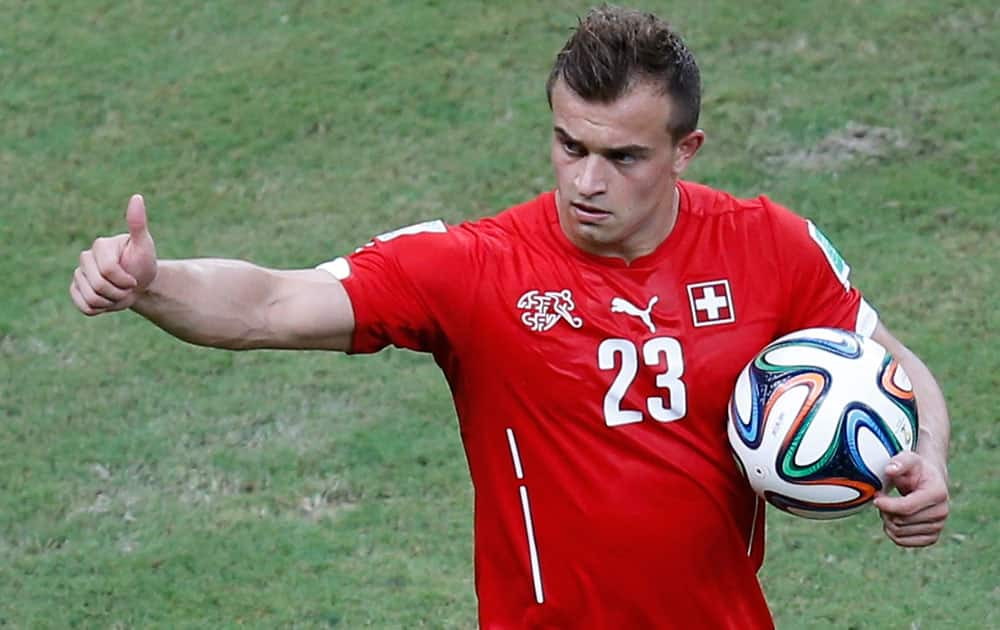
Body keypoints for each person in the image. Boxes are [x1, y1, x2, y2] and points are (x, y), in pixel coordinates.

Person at [70, 5, 950, 629]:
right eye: (570, 145)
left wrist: (926, 464)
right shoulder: (476, 268)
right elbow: (269, 303)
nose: (587, 180)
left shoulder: (768, 245)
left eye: (623, 156)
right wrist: (150, 283)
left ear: (686, 149)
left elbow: (891, 369)